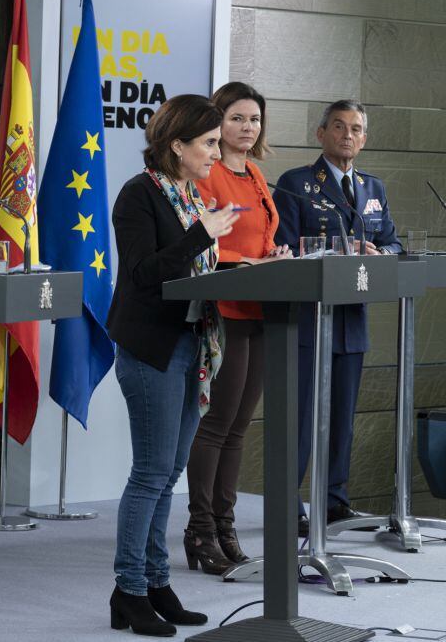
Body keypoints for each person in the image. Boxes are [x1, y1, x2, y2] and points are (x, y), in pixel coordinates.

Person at [106, 94, 238, 636]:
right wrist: (202, 234)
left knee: (168, 477)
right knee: (151, 474)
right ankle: (128, 591)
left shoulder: (189, 194)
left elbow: (195, 268)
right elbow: (143, 273)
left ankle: (157, 583)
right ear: (176, 144)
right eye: (208, 142)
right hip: (150, 346)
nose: (216, 151)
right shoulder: (139, 195)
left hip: (192, 343)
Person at [272, 100, 401, 538]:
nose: (348, 135)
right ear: (321, 133)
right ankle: (286, 503)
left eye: (357, 129)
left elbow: (394, 244)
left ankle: (333, 500)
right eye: (340, 127)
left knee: (342, 417)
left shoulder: (373, 188)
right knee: (300, 418)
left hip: (350, 321)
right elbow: (284, 249)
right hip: (308, 320)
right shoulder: (297, 184)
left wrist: (378, 253)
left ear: (364, 139)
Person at [185, 82, 290, 573]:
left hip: (262, 306)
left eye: (255, 120)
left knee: (240, 427)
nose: (248, 129)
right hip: (224, 309)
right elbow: (201, 243)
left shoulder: (257, 175)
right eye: (237, 119)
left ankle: (225, 526)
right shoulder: (208, 175)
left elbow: (263, 238)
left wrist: (276, 257)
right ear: (215, 123)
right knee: (216, 424)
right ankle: (200, 530)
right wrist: (241, 262)